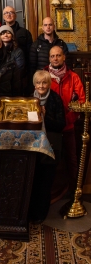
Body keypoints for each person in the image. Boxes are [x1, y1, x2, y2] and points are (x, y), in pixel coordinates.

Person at [46, 46, 85, 191]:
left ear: (63, 57)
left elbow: (80, 101)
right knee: (50, 160)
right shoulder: (44, 76)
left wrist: (66, 120)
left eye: (58, 55)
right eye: (52, 56)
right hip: (50, 128)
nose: (55, 58)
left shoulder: (73, 77)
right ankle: (53, 191)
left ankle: (74, 192)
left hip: (68, 125)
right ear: (49, 58)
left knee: (72, 159)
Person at [29, 70, 66, 223]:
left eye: (44, 82)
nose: (41, 86)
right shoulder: (30, 100)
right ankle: (30, 213)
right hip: (32, 146)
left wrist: (45, 115)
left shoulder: (55, 99)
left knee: (45, 182)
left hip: (50, 146)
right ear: (34, 84)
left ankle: (40, 215)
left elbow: (61, 124)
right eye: (38, 83)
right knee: (33, 181)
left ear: (49, 84)